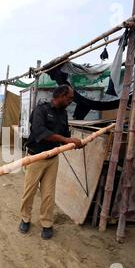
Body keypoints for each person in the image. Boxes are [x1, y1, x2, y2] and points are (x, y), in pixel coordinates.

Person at [19, 85, 84, 240]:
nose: (71, 101)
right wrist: (66, 140)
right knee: (30, 191)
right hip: (35, 158)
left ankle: (47, 223)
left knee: (48, 193)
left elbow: (65, 135)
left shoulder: (63, 115)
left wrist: (74, 143)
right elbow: (40, 131)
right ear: (61, 95)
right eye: (69, 98)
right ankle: (25, 218)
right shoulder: (41, 110)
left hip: (52, 160)